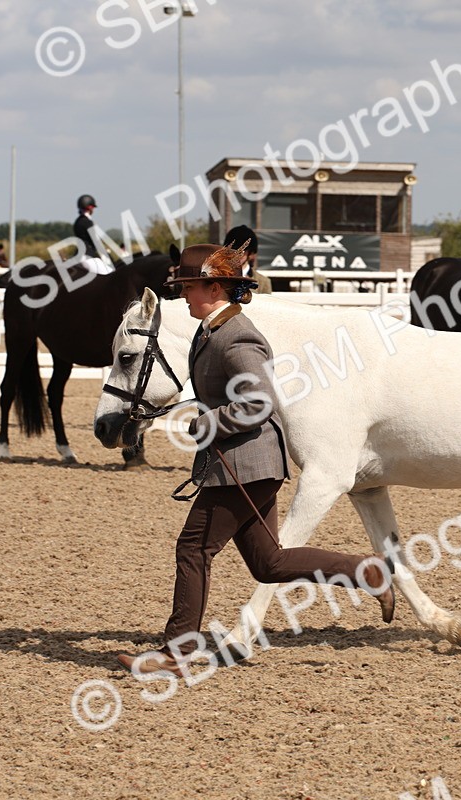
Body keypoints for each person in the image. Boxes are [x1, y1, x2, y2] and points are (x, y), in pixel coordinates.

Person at [117, 243, 393, 676]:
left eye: (189, 287)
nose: (184, 295)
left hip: (246, 464)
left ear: (214, 286)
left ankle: (174, 654)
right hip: (249, 466)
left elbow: (259, 401)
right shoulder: (211, 329)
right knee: (269, 563)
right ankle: (365, 572)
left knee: (193, 548)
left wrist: (210, 425)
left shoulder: (237, 335)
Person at [222, 224, 272, 294]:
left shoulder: (263, 282)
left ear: (250, 253)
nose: (236, 254)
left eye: (242, 250)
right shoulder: (218, 277)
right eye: (233, 249)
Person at [73, 193, 114, 276]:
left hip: (78, 256)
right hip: (87, 256)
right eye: (93, 207)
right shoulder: (87, 222)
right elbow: (95, 241)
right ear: (90, 207)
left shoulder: (78, 222)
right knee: (111, 274)